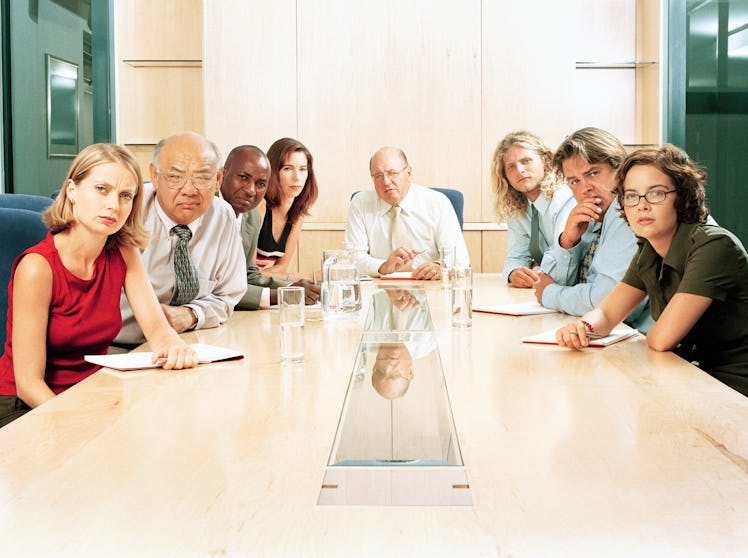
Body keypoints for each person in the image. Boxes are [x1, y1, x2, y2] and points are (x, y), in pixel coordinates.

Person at [0, 143, 198, 427]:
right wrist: (78, 426)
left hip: (87, 393)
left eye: (125, 195)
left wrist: (174, 346)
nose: (113, 205)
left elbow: (157, 328)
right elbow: (29, 385)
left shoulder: (123, 252)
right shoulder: (37, 267)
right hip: (27, 406)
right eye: (101, 189)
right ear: (72, 190)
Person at [556, 144, 748, 396]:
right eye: (631, 196)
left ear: (683, 197)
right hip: (692, 373)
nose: (641, 206)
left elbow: (662, 339)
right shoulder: (649, 249)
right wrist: (583, 327)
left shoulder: (714, 245)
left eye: (655, 193)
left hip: (733, 384)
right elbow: (606, 312)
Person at [115, 132, 247, 346]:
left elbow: (228, 295)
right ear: (155, 176)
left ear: (218, 179)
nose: (189, 190)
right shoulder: (128, 210)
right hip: (119, 347)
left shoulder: (222, 216)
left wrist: (191, 315)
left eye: (203, 177)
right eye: (175, 177)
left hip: (188, 341)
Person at [533, 127, 651, 332]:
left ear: (621, 170)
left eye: (594, 173)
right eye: (574, 181)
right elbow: (547, 281)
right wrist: (568, 241)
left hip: (660, 347)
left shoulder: (631, 211)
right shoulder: (592, 216)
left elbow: (612, 304)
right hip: (620, 334)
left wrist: (552, 294)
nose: (584, 188)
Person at [218, 145, 320, 309]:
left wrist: (289, 288)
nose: (251, 191)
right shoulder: (204, 211)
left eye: (260, 183)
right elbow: (217, 287)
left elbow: (250, 276)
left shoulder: (250, 215)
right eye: (243, 178)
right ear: (221, 175)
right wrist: (282, 295)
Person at [345, 146, 469, 279]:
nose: (386, 182)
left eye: (392, 173)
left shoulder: (438, 203)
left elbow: (460, 259)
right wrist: (383, 266)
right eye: (378, 176)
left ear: (409, 173)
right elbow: (354, 258)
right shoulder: (360, 203)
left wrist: (440, 267)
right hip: (378, 287)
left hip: (429, 287)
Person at [490, 131, 574, 287]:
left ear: (546, 161)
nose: (520, 170)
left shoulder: (564, 198)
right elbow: (516, 256)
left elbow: (563, 257)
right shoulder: (518, 208)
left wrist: (538, 268)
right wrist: (514, 273)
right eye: (511, 167)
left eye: (526, 161)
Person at [255, 138, 319, 280]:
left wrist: (285, 276)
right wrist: (307, 276)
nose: (297, 177)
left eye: (303, 169)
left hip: (258, 286)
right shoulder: (260, 207)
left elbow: (282, 268)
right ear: (272, 171)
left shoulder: (298, 214)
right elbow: (248, 273)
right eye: (288, 168)